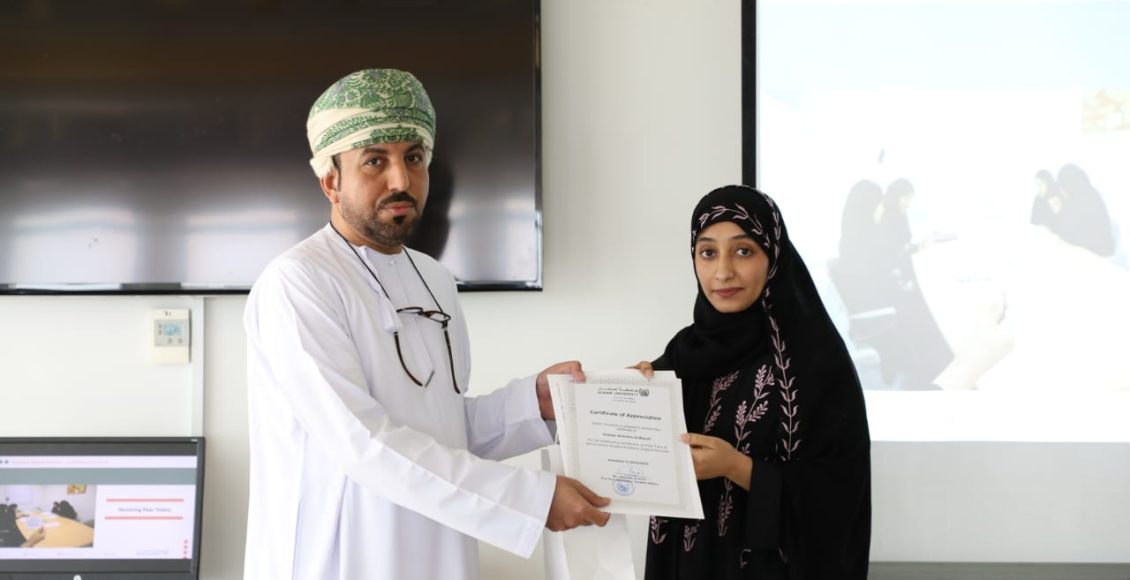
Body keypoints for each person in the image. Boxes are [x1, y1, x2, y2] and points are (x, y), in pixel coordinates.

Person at [243, 69, 609, 580]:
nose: (401, 180)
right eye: (375, 160)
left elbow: (444, 428)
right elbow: (361, 443)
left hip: (438, 552)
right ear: (331, 181)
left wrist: (534, 401)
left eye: (413, 157)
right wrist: (532, 499)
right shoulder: (298, 282)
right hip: (342, 559)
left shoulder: (434, 279)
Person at [635, 185, 871, 579]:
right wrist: (629, 394)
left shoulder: (815, 360)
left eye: (743, 251)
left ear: (773, 256)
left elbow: (841, 494)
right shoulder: (685, 351)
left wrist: (738, 467)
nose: (723, 272)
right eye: (708, 253)